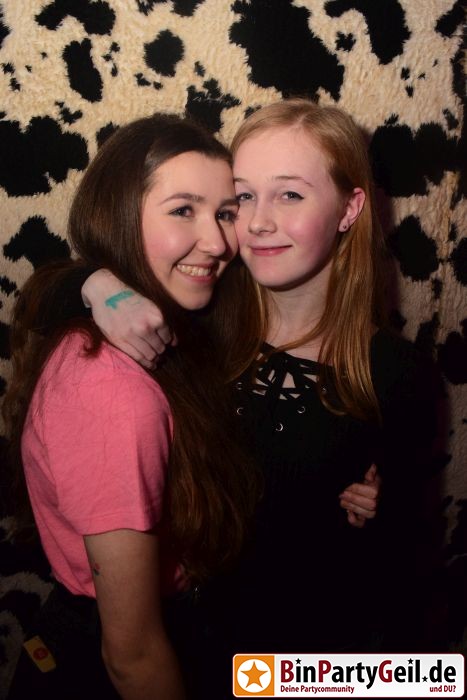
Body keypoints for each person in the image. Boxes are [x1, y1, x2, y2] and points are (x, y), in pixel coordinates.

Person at [71, 99, 439, 675]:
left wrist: (382, 520)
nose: (259, 222)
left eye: (289, 194)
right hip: (180, 658)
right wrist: (97, 286)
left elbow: (403, 587)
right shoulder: (197, 316)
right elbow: (50, 292)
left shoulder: (397, 374)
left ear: (349, 208)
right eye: (244, 197)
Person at [2, 113, 264, 700]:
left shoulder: (166, 325)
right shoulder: (112, 391)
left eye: (226, 213)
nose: (218, 242)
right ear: (120, 213)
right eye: (183, 209)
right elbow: (133, 657)